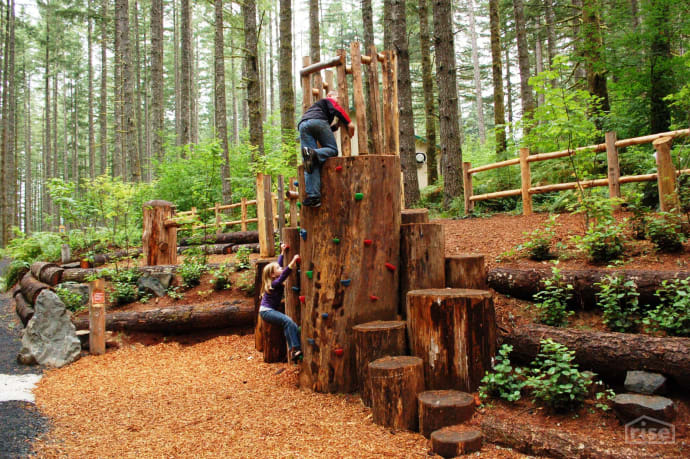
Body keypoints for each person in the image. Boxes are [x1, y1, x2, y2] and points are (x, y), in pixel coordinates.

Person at [298, 91, 356, 208]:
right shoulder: (327, 100)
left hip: (303, 126)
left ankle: (313, 196)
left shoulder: (316, 109)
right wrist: (349, 123)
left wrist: (336, 126)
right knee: (332, 150)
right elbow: (335, 109)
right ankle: (313, 153)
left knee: (310, 162)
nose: (338, 100)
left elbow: (323, 129)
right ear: (329, 96)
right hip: (317, 122)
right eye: (337, 97)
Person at [259, 243, 302, 362]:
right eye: (277, 269)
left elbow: (279, 266)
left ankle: (293, 350)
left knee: (289, 324)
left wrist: (282, 253)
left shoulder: (274, 281)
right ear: (272, 275)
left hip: (267, 311)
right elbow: (284, 274)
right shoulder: (274, 283)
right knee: (288, 321)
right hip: (266, 312)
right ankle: (295, 348)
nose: (280, 268)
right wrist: (293, 261)